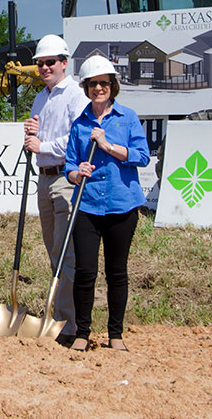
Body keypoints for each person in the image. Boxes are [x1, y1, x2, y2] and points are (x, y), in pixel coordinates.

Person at [63, 55, 149, 352]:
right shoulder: (79, 124)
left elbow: (142, 155)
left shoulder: (128, 118)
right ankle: (82, 333)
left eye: (104, 83)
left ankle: (116, 334)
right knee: (85, 271)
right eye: (93, 84)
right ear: (85, 88)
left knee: (117, 272)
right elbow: (70, 165)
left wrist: (107, 146)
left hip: (122, 205)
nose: (99, 88)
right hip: (86, 206)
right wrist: (76, 173)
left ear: (113, 85)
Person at [23, 34, 87, 341]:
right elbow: (37, 139)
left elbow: (78, 140)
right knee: (53, 250)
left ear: (64, 63)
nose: (44, 67)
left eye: (50, 62)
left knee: (66, 253)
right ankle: (60, 315)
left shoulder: (76, 95)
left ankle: (69, 324)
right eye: (40, 63)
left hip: (66, 178)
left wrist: (42, 144)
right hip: (44, 178)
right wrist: (31, 134)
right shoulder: (41, 97)